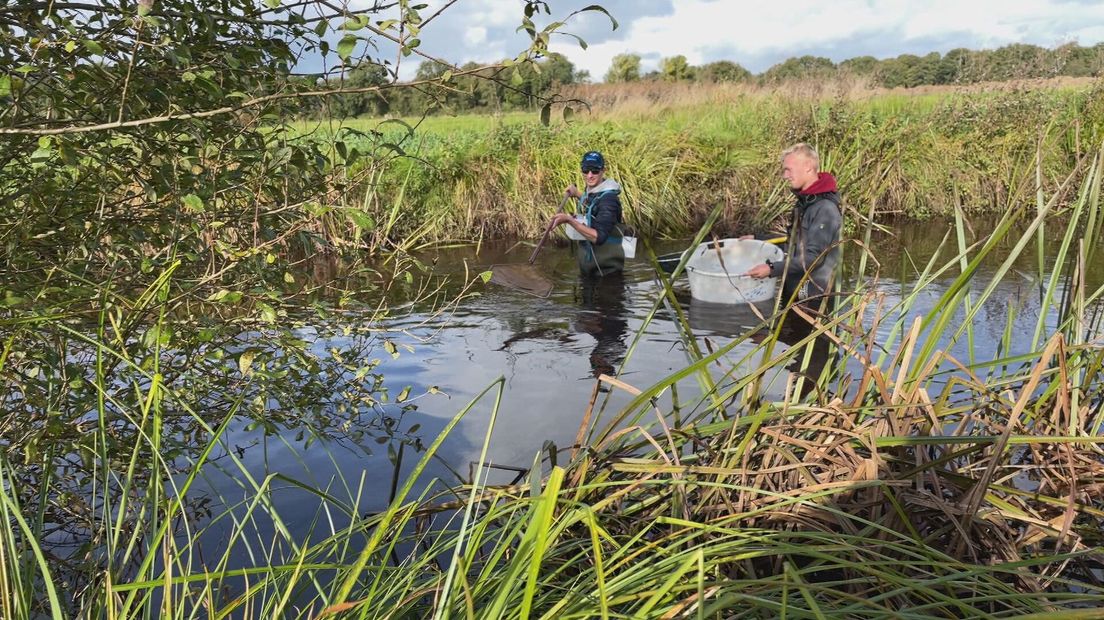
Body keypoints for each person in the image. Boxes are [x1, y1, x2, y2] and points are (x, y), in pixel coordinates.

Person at [745, 143, 841, 308]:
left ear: (808, 167)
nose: (785, 176)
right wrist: (758, 240)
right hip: (795, 292)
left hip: (812, 298)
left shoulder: (825, 209)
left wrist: (771, 269)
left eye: (789, 169)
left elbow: (813, 259)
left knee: (795, 332)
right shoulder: (805, 203)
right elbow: (794, 246)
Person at [549, 150, 626, 277]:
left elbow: (598, 237)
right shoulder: (595, 191)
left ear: (603, 171)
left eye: (595, 170)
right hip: (591, 269)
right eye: (586, 170)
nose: (589, 175)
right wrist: (577, 194)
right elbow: (594, 206)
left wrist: (569, 220)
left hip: (606, 275)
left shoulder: (609, 200)